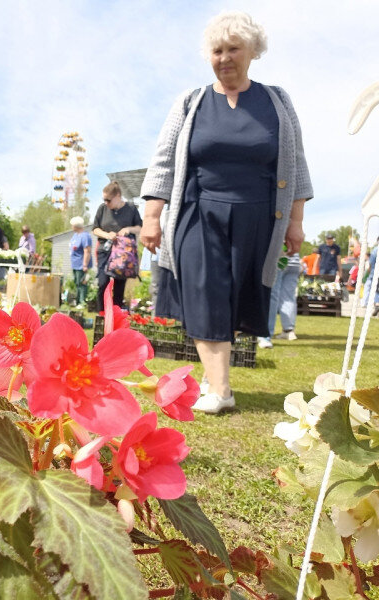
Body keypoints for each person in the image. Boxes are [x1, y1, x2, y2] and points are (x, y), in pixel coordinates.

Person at [139, 11, 312, 414]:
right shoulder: (191, 101)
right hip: (197, 212)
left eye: (234, 48)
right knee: (204, 291)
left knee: (233, 297)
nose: (225, 57)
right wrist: (152, 216)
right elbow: (163, 161)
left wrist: (296, 221)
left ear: (253, 52)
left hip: (257, 217)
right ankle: (221, 390)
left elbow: (296, 163)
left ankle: (212, 376)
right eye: (217, 50)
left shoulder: (276, 101)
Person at [93, 181, 142, 311]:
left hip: (123, 254)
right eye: (104, 199)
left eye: (108, 200)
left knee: (119, 286)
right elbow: (95, 229)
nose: (106, 203)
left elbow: (139, 228)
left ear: (118, 196)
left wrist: (128, 229)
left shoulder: (131, 209)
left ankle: (116, 316)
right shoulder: (102, 209)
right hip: (105, 250)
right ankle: (102, 314)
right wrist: (107, 235)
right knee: (103, 283)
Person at [258, 252, 301, 348]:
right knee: (289, 297)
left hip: (280, 258)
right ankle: (288, 330)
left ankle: (266, 334)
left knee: (273, 294)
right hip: (295, 262)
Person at [69, 216, 92, 305]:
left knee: (82, 283)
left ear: (76, 226)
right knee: (77, 283)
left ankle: (82, 302)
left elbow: (87, 251)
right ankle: (77, 301)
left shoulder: (85, 236)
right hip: (75, 264)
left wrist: (85, 265)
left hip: (81, 265)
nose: (71, 227)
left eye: (72, 225)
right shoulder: (75, 235)